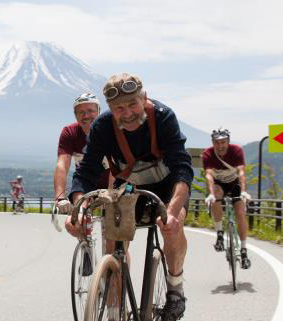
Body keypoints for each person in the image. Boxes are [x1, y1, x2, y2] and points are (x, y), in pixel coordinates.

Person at [65, 72, 193, 321]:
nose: (127, 113)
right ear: (110, 109)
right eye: (118, 108)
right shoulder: (102, 127)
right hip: (129, 188)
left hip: (168, 186)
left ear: (144, 97)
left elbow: (182, 168)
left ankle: (175, 290)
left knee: (172, 228)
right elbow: (86, 170)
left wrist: (173, 211)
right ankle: (115, 310)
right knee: (113, 242)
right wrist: (78, 208)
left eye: (132, 104)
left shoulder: (163, 117)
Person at [202, 128, 252, 269]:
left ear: (228, 142)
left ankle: (243, 250)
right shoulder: (208, 154)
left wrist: (243, 191)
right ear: (213, 143)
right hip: (219, 185)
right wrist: (211, 194)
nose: (220, 145)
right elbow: (209, 175)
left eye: (223, 142)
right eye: (217, 142)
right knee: (216, 196)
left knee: (240, 213)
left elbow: (241, 172)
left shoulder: (236, 151)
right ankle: (219, 234)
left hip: (235, 184)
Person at [53, 92, 111, 212]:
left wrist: (111, 193)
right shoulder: (70, 132)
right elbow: (62, 165)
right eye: (81, 112)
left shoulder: (110, 129)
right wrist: (60, 197)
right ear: (75, 115)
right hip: (86, 182)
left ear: (99, 111)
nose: (86, 116)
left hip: (112, 182)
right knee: (79, 214)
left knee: (112, 222)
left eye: (90, 111)